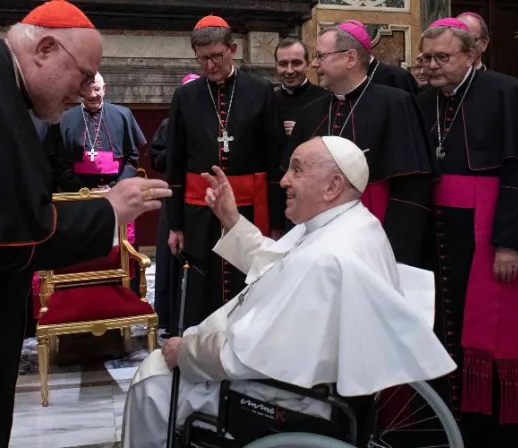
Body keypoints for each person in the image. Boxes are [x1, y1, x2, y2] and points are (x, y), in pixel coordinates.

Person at [0, 1, 172, 447]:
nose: (86, 88)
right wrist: (108, 210)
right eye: (84, 74)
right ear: (46, 48)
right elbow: (3, 240)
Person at [121, 136, 457, 448]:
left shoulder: (327, 253)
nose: (284, 181)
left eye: (297, 170)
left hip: (290, 396)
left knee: (152, 383)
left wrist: (187, 352)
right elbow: (277, 265)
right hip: (306, 379)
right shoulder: (350, 223)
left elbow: (241, 357)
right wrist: (232, 220)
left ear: (333, 186)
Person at [416, 18, 518, 448]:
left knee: (490, 330)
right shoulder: (424, 101)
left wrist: (508, 243)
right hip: (439, 235)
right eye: (427, 58)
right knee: (442, 326)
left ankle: (493, 433)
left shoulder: (506, 92)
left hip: (487, 231)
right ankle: (446, 422)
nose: (432, 66)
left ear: (472, 55)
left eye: (442, 57)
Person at [279, 20, 434, 267]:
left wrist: (393, 251)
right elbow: (293, 180)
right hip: (314, 240)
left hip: (375, 238)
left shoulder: (396, 104)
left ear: (350, 58)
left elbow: (411, 189)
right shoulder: (311, 112)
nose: (315, 64)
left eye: (321, 56)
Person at [166, 14, 286, 329]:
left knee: (247, 277)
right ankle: (202, 348)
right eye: (202, 58)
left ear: (232, 49)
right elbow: (175, 162)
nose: (209, 65)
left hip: (250, 207)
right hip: (199, 210)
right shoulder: (186, 96)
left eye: (216, 56)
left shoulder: (259, 90)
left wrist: (276, 223)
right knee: (203, 280)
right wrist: (175, 225)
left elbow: (275, 159)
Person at [151, 73, 199, 335]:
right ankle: (170, 321)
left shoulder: (210, 122)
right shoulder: (169, 124)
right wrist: (177, 147)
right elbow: (156, 160)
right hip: (175, 200)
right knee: (171, 260)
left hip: (202, 201)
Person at [56, 72, 146, 192]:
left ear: (104, 89)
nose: (92, 95)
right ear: (79, 91)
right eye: (87, 90)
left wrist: (116, 187)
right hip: (79, 195)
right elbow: (59, 163)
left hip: (117, 192)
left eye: (97, 89)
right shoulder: (65, 119)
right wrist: (83, 189)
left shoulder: (123, 115)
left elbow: (132, 158)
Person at [273, 37, 329, 138]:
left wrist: (303, 131)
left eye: (296, 63)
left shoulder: (326, 99)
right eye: (283, 64)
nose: (289, 71)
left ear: (307, 65)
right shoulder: (268, 100)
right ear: (276, 66)